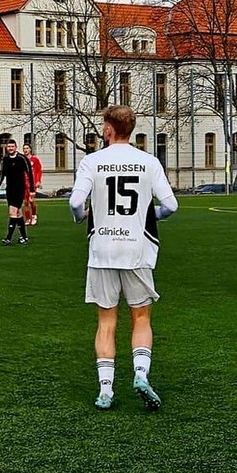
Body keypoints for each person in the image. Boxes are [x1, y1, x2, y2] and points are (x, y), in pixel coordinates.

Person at [68, 105, 177, 411]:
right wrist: (152, 215)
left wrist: (81, 216)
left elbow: (76, 202)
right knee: (140, 317)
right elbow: (171, 205)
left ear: (108, 129)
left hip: (102, 250)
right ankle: (141, 374)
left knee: (106, 321)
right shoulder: (149, 162)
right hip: (136, 249)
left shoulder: (92, 161)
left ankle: (106, 390)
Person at [0, 139, 33, 245]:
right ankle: (24, 237)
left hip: (19, 188)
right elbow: (2, 173)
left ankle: (8, 238)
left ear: (16, 147)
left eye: (12, 146)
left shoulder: (22, 158)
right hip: (10, 189)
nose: (10, 148)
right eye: (9, 146)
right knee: (18, 213)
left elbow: (29, 173)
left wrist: (32, 190)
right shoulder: (5, 159)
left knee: (12, 212)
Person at [21, 142, 42, 225]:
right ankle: (27, 219)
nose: (25, 150)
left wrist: (38, 181)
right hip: (23, 183)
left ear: (30, 149)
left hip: (32, 183)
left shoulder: (35, 159)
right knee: (25, 202)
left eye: (27, 148)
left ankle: (33, 215)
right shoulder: (22, 159)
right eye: (24, 148)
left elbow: (39, 171)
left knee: (31, 200)